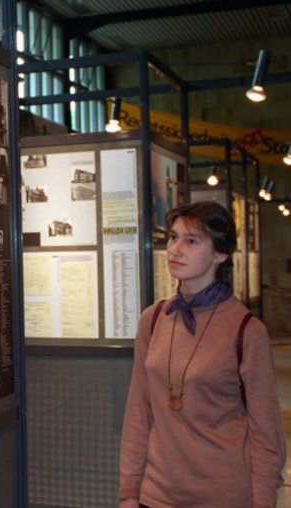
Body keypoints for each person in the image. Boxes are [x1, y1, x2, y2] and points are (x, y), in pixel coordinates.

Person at [119, 201, 285, 508]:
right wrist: (129, 491)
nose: (175, 250)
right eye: (173, 237)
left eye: (191, 241)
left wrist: (263, 499)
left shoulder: (246, 329)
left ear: (220, 254)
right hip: (157, 494)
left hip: (223, 495)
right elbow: (138, 414)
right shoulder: (153, 319)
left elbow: (266, 431)